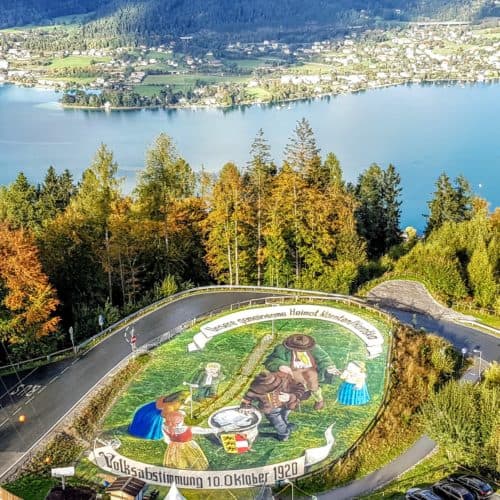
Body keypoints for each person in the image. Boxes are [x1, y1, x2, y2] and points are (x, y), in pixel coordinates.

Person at [265, 334, 339, 411]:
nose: (300, 351)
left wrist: (329, 366)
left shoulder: (314, 348)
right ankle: (295, 399)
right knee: (298, 382)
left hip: (310, 369)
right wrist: (280, 365)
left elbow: (324, 358)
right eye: (297, 349)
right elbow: (272, 360)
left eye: (303, 349)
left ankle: (319, 400)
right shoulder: (281, 349)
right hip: (293, 370)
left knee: (313, 382)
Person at [240, 370, 309, 441]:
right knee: (279, 423)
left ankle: (285, 424)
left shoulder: (285, 378)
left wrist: (290, 396)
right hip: (271, 410)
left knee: (284, 416)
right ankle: (283, 435)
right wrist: (245, 406)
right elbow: (247, 398)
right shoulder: (255, 389)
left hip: (287, 405)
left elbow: (300, 388)